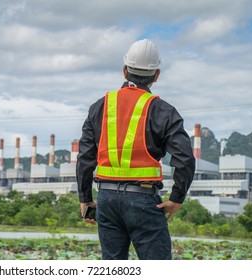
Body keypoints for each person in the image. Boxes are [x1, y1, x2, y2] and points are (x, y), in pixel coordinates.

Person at [76, 39, 195, 260]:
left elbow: (85, 157)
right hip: (143, 200)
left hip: (107, 200)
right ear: (156, 75)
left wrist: (85, 198)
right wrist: (177, 197)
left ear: (124, 70)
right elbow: (185, 158)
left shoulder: (99, 106)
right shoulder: (163, 110)